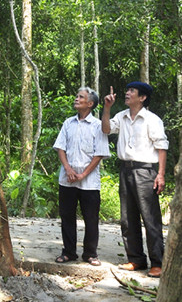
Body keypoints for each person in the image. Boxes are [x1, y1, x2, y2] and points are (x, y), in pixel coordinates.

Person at [101, 82, 168, 278]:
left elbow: (162, 147)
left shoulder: (152, 120)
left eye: (132, 91)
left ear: (142, 97)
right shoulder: (120, 116)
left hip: (146, 171)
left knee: (150, 218)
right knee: (128, 218)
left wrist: (161, 174)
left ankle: (158, 262)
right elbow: (106, 129)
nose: (127, 93)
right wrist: (107, 108)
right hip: (125, 170)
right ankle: (136, 259)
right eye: (127, 90)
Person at [53, 87, 110, 266]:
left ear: (90, 103)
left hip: (90, 182)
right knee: (67, 216)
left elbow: (99, 153)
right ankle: (69, 252)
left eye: (81, 97)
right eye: (77, 96)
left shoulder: (97, 126)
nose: (76, 99)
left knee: (91, 218)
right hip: (67, 179)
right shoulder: (68, 123)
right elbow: (60, 147)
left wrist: (83, 174)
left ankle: (90, 254)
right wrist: (68, 169)